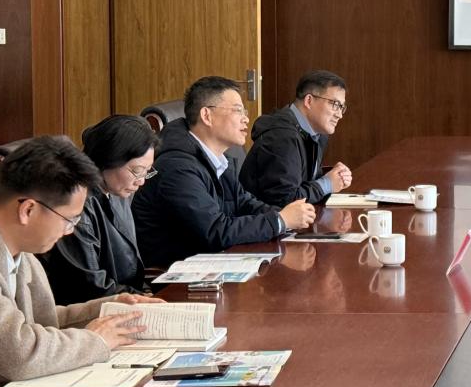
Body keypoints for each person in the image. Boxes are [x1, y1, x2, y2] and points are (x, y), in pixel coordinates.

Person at [0, 136, 159, 383]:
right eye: (69, 220)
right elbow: (18, 355)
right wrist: (96, 340)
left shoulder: (19, 248)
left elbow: (43, 322)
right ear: (28, 210)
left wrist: (110, 309)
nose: (69, 231)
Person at [133, 77, 317, 268]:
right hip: (177, 275)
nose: (246, 118)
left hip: (213, 263)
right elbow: (215, 231)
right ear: (207, 116)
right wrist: (280, 220)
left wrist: (288, 216)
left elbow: (243, 203)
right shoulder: (177, 168)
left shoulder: (217, 158)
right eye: (237, 111)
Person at [40, 116, 158, 303]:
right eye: (137, 171)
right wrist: (141, 298)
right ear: (108, 159)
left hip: (127, 298)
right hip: (95, 309)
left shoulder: (118, 190)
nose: (141, 181)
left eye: (146, 171)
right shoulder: (75, 205)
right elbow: (90, 286)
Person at [240, 70, 352, 207]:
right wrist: (327, 184)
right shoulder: (282, 137)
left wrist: (335, 176)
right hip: (263, 218)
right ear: (309, 101)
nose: (339, 115)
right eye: (334, 104)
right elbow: (285, 201)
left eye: (341, 107)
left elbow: (301, 180)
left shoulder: (316, 134)